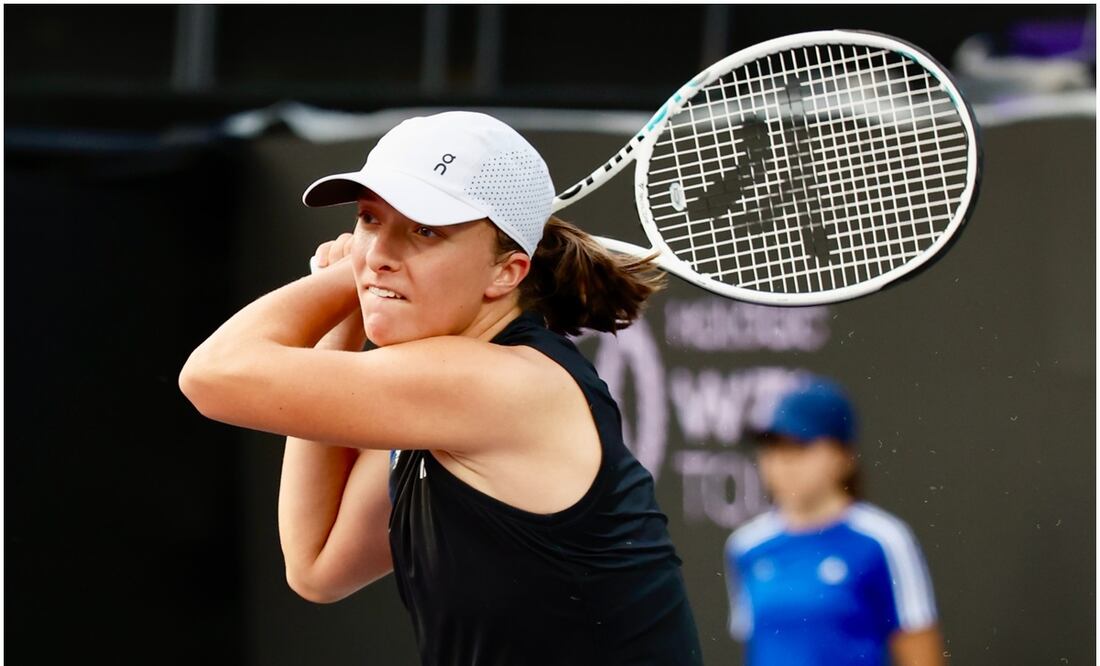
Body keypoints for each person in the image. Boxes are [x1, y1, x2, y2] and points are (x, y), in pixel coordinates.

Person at [179, 111, 702, 665]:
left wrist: (344, 279)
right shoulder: (447, 402)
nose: (379, 252)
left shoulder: (488, 383)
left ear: (507, 272)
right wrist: (349, 314)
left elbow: (212, 374)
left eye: (424, 230)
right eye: (370, 219)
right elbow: (318, 566)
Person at [725, 376, 946, 666]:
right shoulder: (746, 546)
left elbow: (922, 657)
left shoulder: (883, 540)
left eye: (799, 447)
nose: (781, 462)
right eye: (773, 448)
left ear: (843, 458)